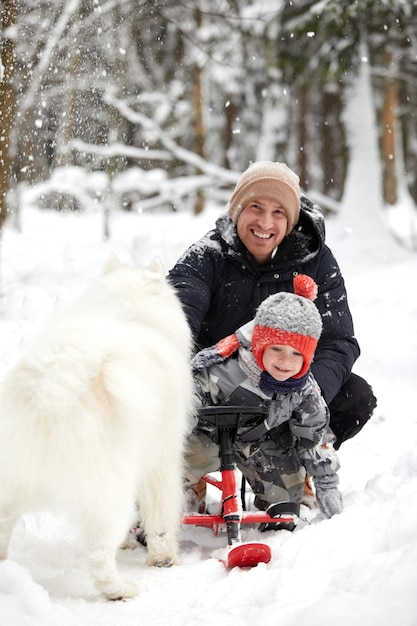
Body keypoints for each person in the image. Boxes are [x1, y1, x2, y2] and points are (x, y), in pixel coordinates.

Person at [168, 161, 377, 449]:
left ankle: (299, 460)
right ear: (237, 210)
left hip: (287, 381)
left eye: (278, 212)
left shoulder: (316, 262)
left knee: (355, 395)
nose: (265, 223)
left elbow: (339, 341)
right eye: (256, 207)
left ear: (290, 221)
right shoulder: (207, 255)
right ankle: (185, 463)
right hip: (217, 387)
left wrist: (306, 392)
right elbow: (177, 312)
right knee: (164, 382)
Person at [185, 274, 343, 525]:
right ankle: (174, 499)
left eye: (296, 353)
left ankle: (275, 512)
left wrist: (326, 484)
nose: (285, 361)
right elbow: (182, 408)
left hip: (257, 440)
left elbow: (314, 435)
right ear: (259, 345)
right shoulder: (222, 370)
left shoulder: (303, 388)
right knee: (182, 459)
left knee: (286, 499)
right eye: (276, 349)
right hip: (206, 435)